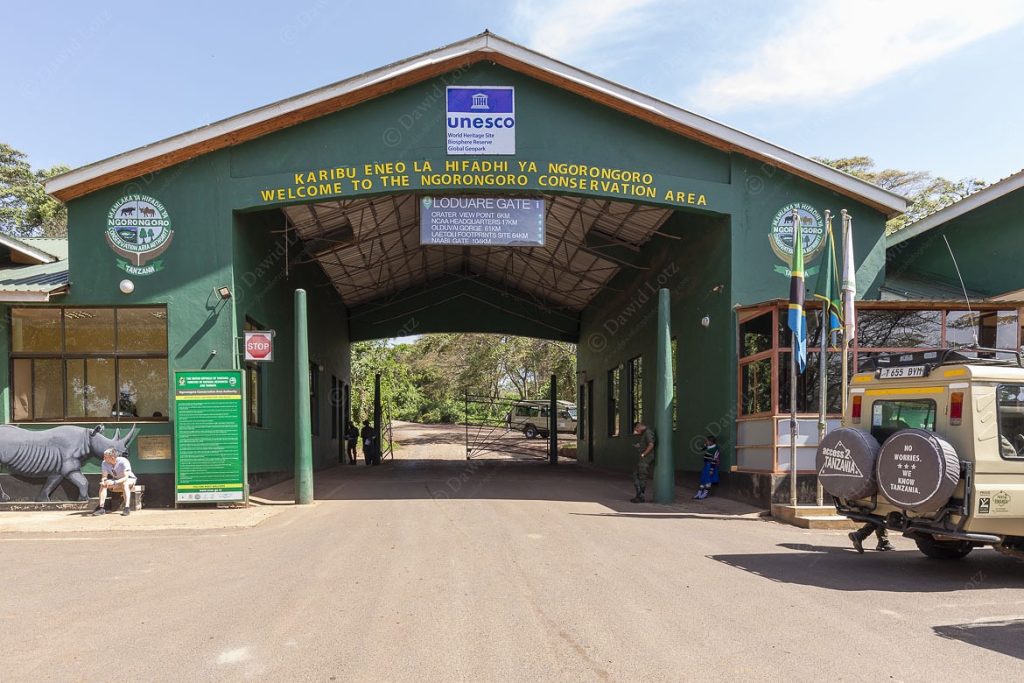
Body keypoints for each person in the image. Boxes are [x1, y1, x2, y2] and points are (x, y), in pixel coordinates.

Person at [92, 448, 137, 516]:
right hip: (116, 480)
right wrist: (104, 481)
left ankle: (127, 508)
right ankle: (101, 508)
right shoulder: (104, 463)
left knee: (124, 483)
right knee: (103, 485)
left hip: (129, 479)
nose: (104, 458)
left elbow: (125, 477)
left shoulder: (123, 461)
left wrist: (114, 482)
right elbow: (104, 476)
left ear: (112, 457)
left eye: (106, 457)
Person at [631, 421, 656, 503]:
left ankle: (640, 496)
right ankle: (639, 495)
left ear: (639, 426)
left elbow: (651, 444)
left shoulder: (648, 432)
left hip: (645, 458)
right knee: (636, 475)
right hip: (644, 458)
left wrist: (644, 454)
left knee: (641, 476)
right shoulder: (645, 433)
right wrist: (639, 445)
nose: (637, 432)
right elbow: (646, 444)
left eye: (637, 430)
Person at [694, 435, 721, 500]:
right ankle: (699, 493)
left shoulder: (715, 449)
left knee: (708, 480)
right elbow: (700, 449)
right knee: (703, 479)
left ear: (711, 441)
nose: (706, 442)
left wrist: (711, 469)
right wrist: (705, 445)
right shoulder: (708, 446)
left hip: (711, 465)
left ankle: (705, 494)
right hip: (706, 465)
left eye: (707, 441)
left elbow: (715, 459)